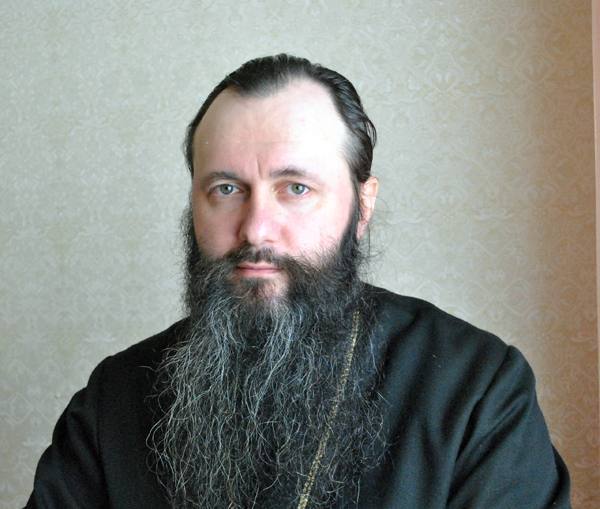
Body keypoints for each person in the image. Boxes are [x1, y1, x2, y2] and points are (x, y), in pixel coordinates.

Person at [25, 54, 571, 509]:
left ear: (362, 207)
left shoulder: (475, 389)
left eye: (296, 188)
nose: (255, 228)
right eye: (226, 189)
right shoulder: (113, 401)